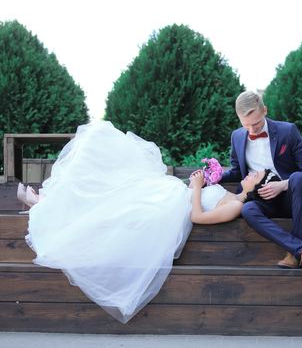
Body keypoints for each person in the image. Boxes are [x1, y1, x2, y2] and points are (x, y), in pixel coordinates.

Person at [19, 120, 272, 324]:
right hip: (172, 194)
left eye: (255, 175)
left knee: (116, 205)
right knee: (116, 181)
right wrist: (202, 183)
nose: (250, 173)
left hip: (173, 208)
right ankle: (48, 200)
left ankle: (45, 206)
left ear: (257, 187)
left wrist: (196, 186)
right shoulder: (231, 195)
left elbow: (197, 216)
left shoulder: (237, 205)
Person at [221, 90, 302, 270]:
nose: (252, 130)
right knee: (247, 209)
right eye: (246, 125)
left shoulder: (288, 131)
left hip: (292, 199)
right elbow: (238, 172)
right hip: (262, 201)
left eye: (255, 124)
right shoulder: (237, 137)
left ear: (265, 111)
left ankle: (294, 254)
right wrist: (213, 177)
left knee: (298, 177)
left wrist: (283, 185)